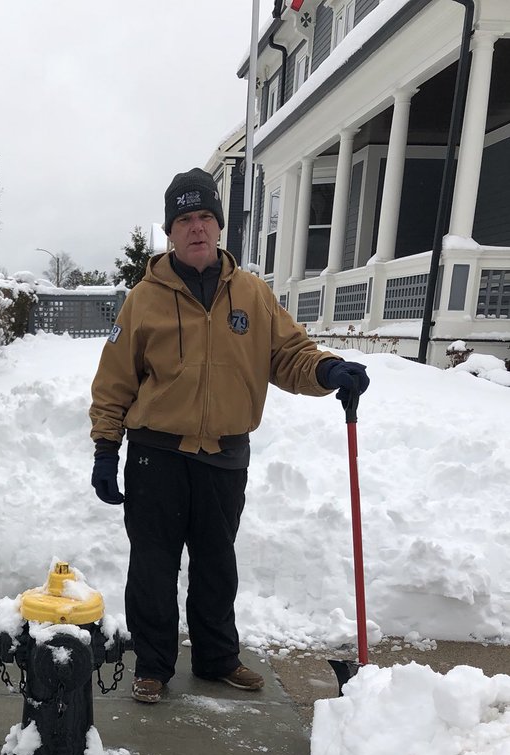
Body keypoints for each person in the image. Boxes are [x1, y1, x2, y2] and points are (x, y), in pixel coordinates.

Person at [89, 167, 369, 704]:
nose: (196, 228)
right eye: (185, 219)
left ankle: (217, 658)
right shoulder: (143, 300)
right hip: (156, 456)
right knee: (153, 564)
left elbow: (290, 354)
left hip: (224, 456)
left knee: (217, 562)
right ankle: (152, 666)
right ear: (170, 231)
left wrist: (328, 370)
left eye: (205, 218)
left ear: (219, 226)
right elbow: (115, 380)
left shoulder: (253, 294)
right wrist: (107, 448)